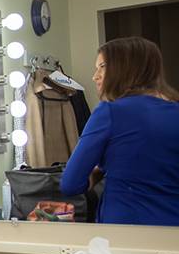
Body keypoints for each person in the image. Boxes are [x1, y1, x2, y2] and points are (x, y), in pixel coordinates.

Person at [61, 37, 179, 225]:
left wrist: (98, 173)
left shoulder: (110, 111)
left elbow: (70, 183)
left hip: (126, 230)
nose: (95, 76)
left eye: (102, 67)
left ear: (126, 68)